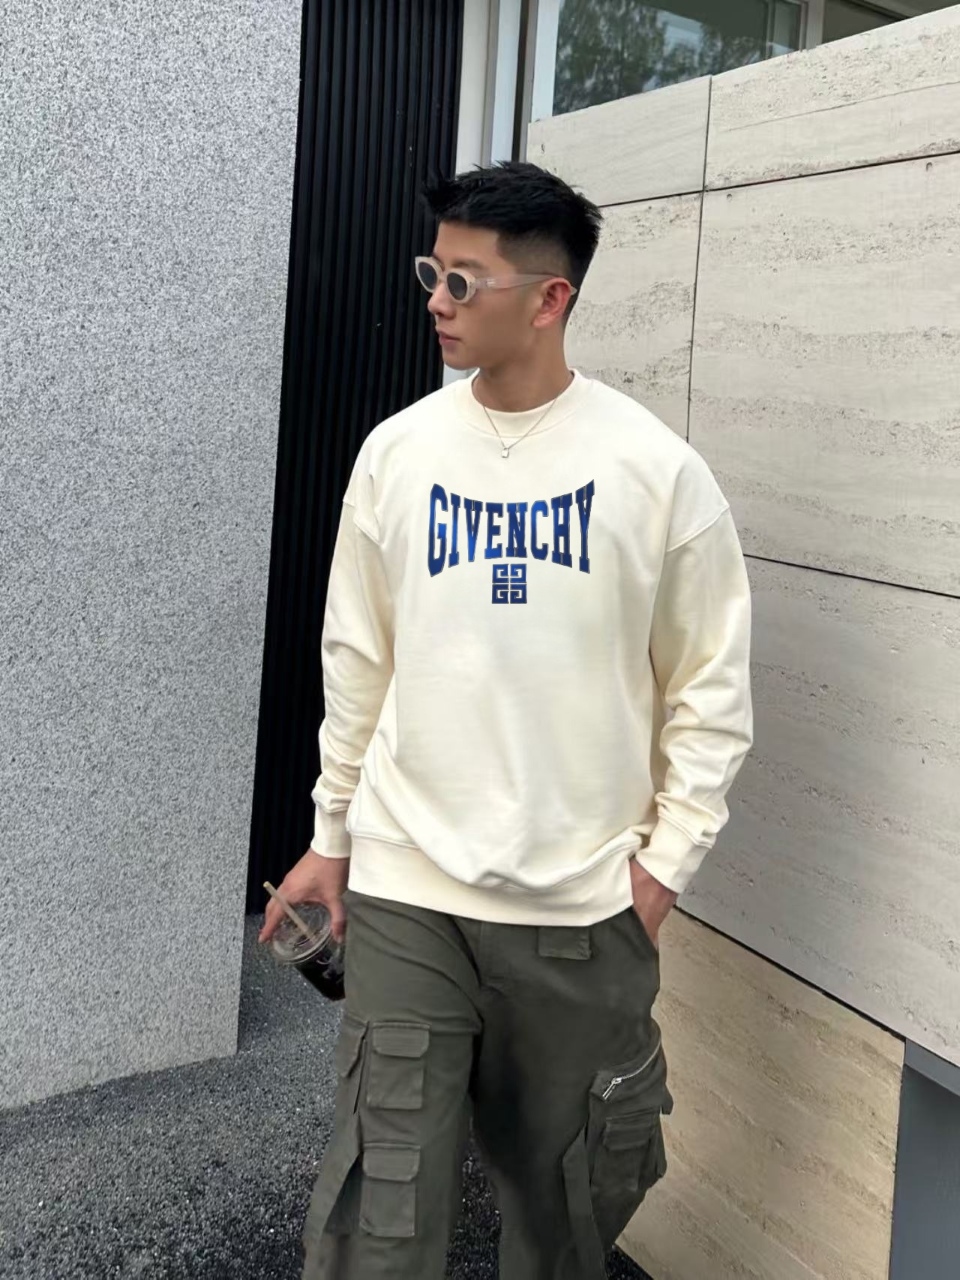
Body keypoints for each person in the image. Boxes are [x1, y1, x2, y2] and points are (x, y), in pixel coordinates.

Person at [259, 160, 753, 1280]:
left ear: (549, 298)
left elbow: (710, 692)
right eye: (433, 272)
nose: (436, 299)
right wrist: (332, 838)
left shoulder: (657, 473)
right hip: (409, 890)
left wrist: (662, 870)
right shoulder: (397, 453)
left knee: (567, 1203)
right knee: (380, 1205)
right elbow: (358, 661)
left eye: (463, 280)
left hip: (582, 903)